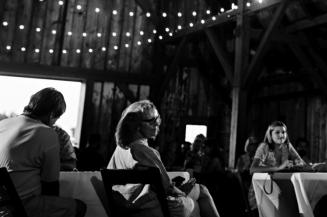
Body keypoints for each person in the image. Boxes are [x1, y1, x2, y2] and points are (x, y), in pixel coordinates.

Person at [107, 100, 220, 217]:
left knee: (201, 190)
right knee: (200, 198)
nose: (157, 124)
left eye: (158, 119)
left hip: (126, 208)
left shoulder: (120, 149)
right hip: (152, 208)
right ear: (136, 126)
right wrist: (182, 191)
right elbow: (167, 189)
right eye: (151, 121)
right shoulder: (145, 151)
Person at [0, 87, 87, 217]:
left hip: (2, 204)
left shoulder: (3, 124)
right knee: (80, 207)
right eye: (56, 118)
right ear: (51, 114)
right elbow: (50, 186)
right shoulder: (47, 132)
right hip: (20, 206)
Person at [248, 121, 310, 211]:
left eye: (283, 132)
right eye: (277, 132)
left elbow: (302, 164)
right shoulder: (264, 147)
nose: (281, 135)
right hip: (262, 190)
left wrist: (301, 165)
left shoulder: (287, 146)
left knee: (299, 200)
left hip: (279, 188)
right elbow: (252, 169)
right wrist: (279, 167)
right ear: (270, 134)